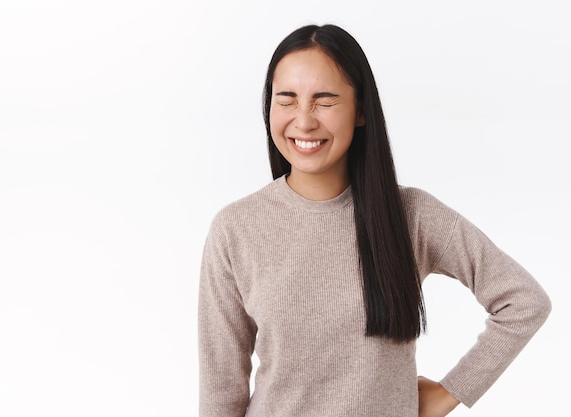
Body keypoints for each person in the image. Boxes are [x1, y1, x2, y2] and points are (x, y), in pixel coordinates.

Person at [198, 24, 551, 417]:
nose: (303, 120)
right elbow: (221, 391)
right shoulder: (235, 229)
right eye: (287, 99)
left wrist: (453, 391)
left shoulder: (411, 215)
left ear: (361, 110)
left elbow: (524, 302)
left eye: (324, 100)